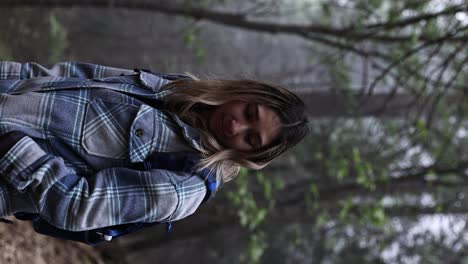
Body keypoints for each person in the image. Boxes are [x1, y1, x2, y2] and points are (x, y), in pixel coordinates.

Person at [0, 61, 308, 237]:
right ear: (247, 93)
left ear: (249, 156)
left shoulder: (184, 186)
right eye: (250, 113)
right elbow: (70, 75)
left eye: (251, 138)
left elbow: (75, 207)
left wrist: (14, 149)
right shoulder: (176, 87)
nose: (236, 127)